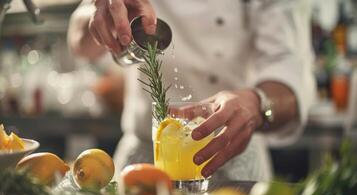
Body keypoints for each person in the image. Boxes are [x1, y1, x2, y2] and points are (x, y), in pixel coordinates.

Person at [68, 0, 316, 181]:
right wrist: (102, 12)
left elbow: (289, 68)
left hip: (233, 160)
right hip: (144, 161)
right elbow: (79, 41)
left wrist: (256, 103)